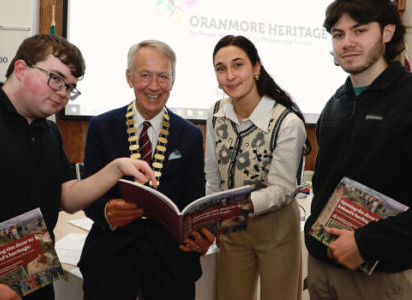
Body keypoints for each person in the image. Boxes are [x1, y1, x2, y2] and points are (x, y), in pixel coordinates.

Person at [0, 34, 156, 300]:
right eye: (56, 78)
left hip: (36, 282)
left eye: (70, 87)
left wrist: (116, 168)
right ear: (21, 69)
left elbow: (67, 198)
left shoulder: (50, 131)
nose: (64, 93)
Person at [78, 39, 213, 300]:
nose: (154, 86)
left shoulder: (190, 134)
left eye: (163, 76)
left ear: (173, 81)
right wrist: (106, 211)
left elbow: (193, 200)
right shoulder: (101, 127)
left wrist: (201, 232)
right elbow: (88, 197)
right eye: (145, 75)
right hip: (113, 250)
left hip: (170, 254)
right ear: (129, 78)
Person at [304, 0, 412, 299]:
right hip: (321, 267)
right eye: (338, 34)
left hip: (379, 274)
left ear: (387, 32)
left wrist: (366, 243)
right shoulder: (335, 102)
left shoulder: (407, 98)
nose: (347, 43)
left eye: (360, 30)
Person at [205, 35, 309, 300]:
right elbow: (212, 174)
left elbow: (282, 190)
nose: (229, 76)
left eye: (237, 65)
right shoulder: (216, 112)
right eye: (220, 68)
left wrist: (233, 205)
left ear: (256, 67)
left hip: (276, 227)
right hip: (232, 225)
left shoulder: (287, 122)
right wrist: (212, 217)